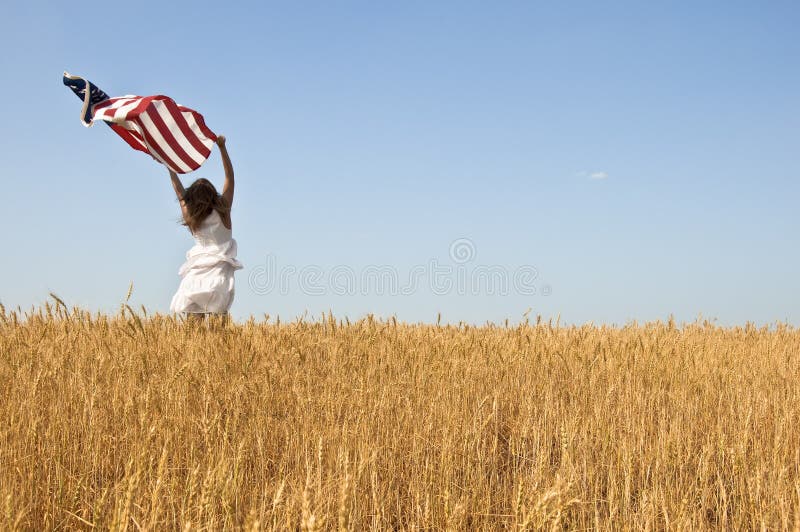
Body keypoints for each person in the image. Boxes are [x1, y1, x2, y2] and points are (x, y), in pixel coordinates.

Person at [167, 135, 243, 319]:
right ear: (213, 195)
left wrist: (167, 161)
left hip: (196, 275)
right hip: (218, 276)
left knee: (194, 328)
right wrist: (222, 147)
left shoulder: (191, 216)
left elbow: (178, 190)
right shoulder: (223, 210)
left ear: (191, 198)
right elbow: (229, 177)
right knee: (219, 322)